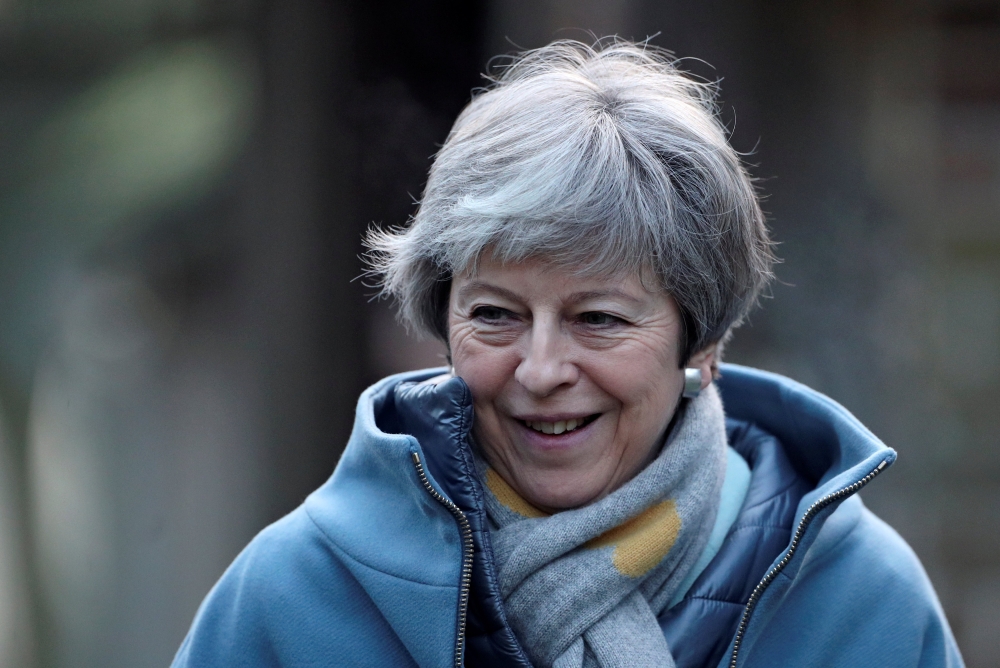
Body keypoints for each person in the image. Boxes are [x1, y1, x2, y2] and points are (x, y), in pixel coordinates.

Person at [171, 39, 963, 668]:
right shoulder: (296, 598)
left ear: (704, 338)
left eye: (598, 319)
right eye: (495, 315)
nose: (542, 370)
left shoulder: (855, 602)